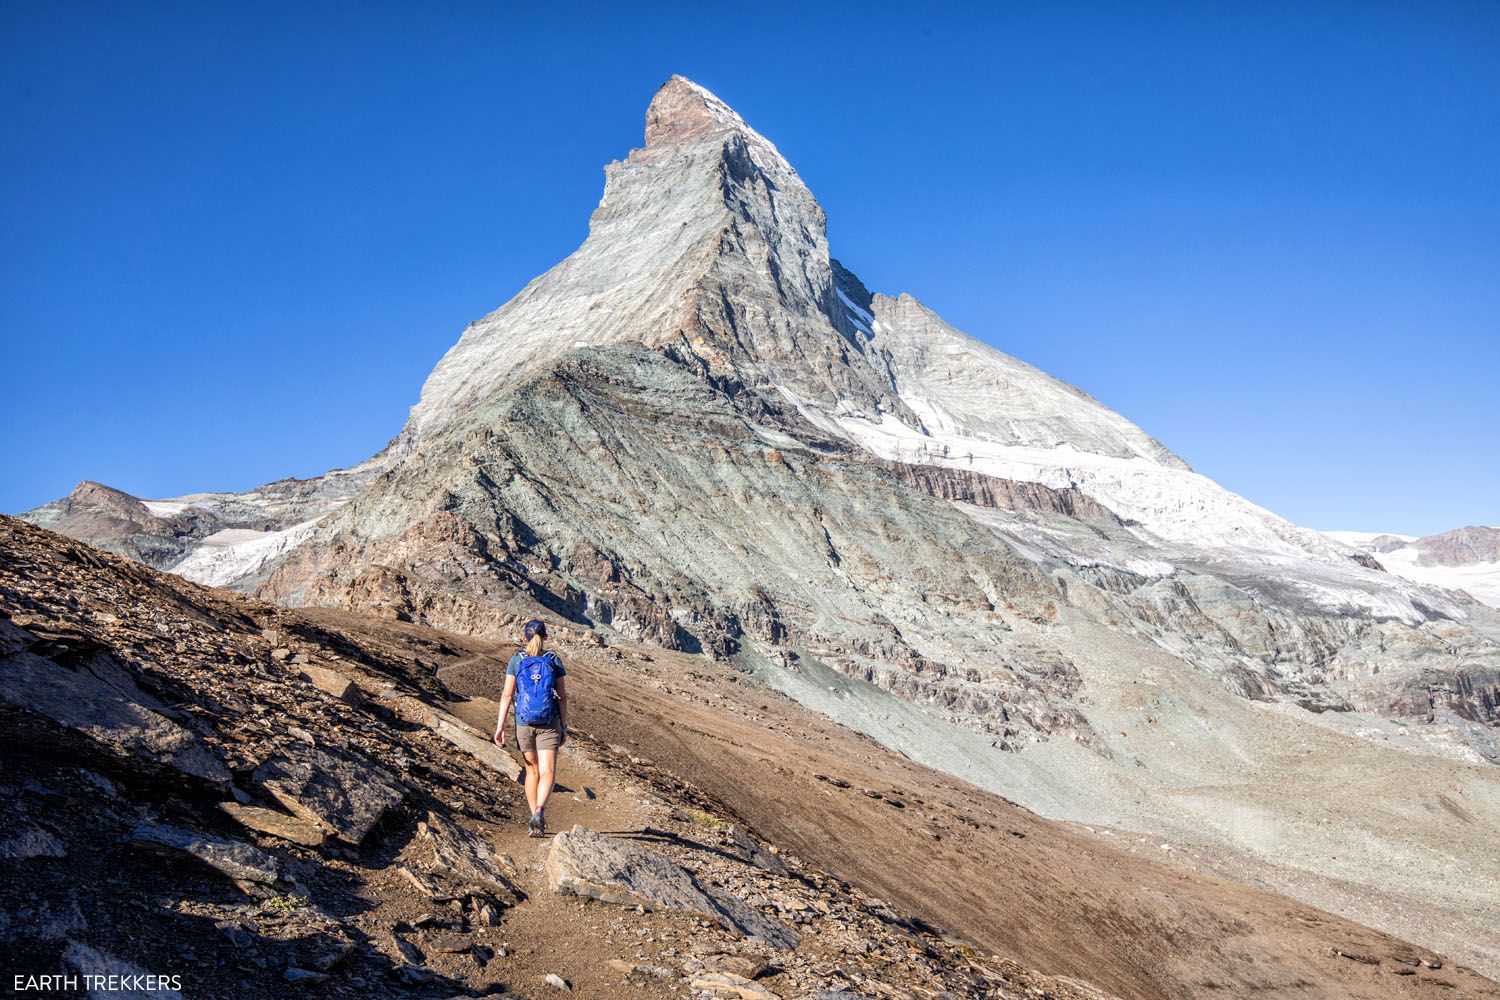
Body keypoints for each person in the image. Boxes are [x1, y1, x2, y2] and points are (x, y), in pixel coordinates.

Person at [493, 619, 568, 837]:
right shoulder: (553, 659)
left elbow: (507, 695)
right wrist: (563, 725)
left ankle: (533, 821)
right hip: (549, 721)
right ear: (545, 637)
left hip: (524, 723)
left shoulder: (517, 660)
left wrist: (500, 727)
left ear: (524, 638)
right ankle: (539, 811)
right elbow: (562, 697)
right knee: (548, 771)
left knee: (531, 770)